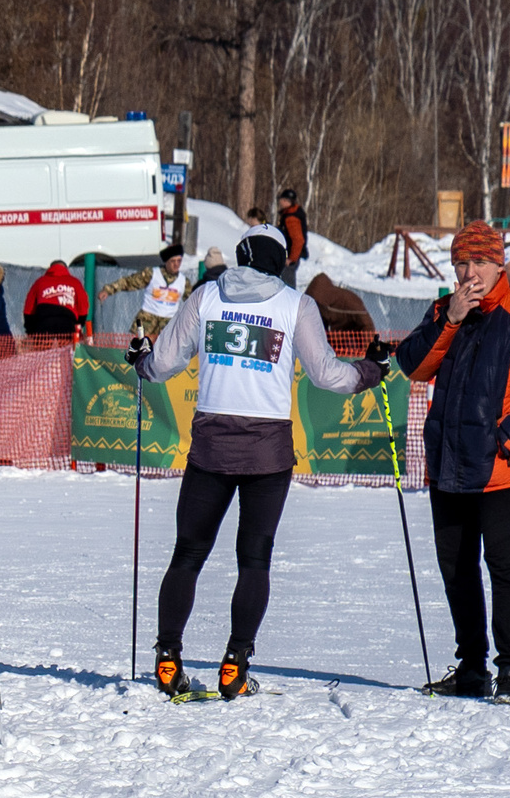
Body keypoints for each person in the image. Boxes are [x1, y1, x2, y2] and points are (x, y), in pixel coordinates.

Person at [132, 225, 390, 698]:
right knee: (254, 560)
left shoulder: (207, 296)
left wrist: (141, 362)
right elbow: (328, 375)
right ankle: (235, 664)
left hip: (211, 446)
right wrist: (373, 371)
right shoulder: (296, 306)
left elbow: (162, 363)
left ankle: (167, 659)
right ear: (281, 262)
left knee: (187, 555)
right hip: (267, 453)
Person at [382, 219, 510, 704]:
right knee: (457, 569)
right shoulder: (447, 310)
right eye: (462, 262)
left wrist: (509, 437)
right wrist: (450, 322)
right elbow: (414, 366)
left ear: (498, 263)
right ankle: (471, 668)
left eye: (480, 262)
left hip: (502, 471)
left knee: (503, 567)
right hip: (448, 466)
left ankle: (509, 672)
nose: (471, 272)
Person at [100, 245, 189, 340]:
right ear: (166, 261)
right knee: (141, 350)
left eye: (179, 261)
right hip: (147, 320)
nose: (176, 264)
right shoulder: (152, 274)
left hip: (168, 324)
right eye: (173, 261)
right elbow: (129, 282)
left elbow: (193, 300)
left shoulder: (183, 281)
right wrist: (108, 290)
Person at [22, 259, 91, 340]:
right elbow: (83, 307)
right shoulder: (75, 282)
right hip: (67, 323)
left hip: (44, 322)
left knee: (43, 352)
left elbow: (28, 309)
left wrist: (30, 331)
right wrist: (79, 324)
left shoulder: (40, 282)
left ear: (50, 268)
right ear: (66, 269)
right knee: (69, 351)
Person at [276, 188, 309, 281]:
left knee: (287, 287)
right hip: (290, 256)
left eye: (281, 199)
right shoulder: (291, 213)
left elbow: (298, 240)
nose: (279, 202)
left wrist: (291, 259)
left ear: (286, 201)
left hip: (290, 258)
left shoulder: (291, 218)